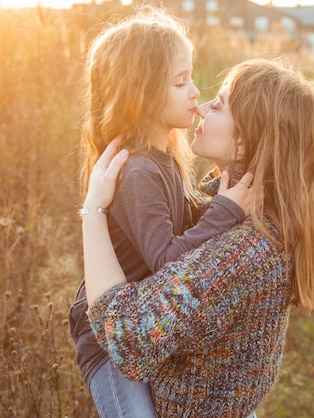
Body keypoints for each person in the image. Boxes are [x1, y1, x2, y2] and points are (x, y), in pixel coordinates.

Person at [81, 58, 314, 417]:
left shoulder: (244, 251)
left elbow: (128, 338)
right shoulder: (259, 219)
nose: (202, 106)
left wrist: (93, 211)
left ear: (243, 142)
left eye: (219, 105)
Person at [68, 8, 253, 417]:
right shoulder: (137, 171)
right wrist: (225, 211)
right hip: (108, 338)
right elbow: (168, 259)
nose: (195, 93)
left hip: (145, 323)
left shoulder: (165, 156)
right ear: (141, 91)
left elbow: (184, 228)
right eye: (179, 82)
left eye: (191, 76)